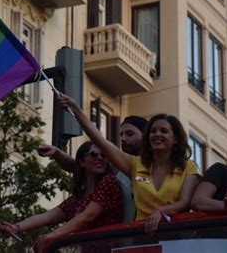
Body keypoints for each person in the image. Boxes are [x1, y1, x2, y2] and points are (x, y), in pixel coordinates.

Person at [58, 94, 200, 236]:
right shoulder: (135, 165)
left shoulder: (189, 167)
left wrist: (160, 211)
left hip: (176, 237)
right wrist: (76, 109)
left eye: (164, 131)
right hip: (140, 238)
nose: (157, 134)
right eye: (153, 131)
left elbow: (185, 202)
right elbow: (99, 140)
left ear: (175, 138)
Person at [0, 141, 122, 252]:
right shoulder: (79, 197)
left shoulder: (109, 182)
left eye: (104, 155)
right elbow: (48, 216)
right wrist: (16, 227)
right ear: (82, 162)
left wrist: (53, 235)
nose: (100, 158)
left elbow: (88, 215)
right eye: (94, 154)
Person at [37, 115, 147, 223]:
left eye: (129, 134)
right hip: (125, 237)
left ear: (145, 136)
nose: (123, 138)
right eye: (121, 134)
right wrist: (57, 153)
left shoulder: (155, 168)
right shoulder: (117, 168)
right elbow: (78, 166)